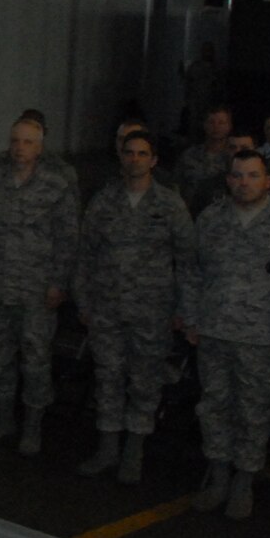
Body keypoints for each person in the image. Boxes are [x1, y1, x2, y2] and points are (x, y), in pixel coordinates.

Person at [179, 152, 270, 520]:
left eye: (253, 175)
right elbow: (192, 273)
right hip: (214, 331)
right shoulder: (210, 220)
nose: (244, 182)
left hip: (263, 338)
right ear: (228, 180)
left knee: (253, 414)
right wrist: (191, 318)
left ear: (267, 181)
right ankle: (219, 479)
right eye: (237, 175)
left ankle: (244, 484)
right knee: (214, 409)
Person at [72, 130, 195, 484]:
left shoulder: (170, 205)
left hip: (152, 313)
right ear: (121, 157)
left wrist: (184, 310)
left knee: (144, 383)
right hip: (107, 310)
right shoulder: (103, 201)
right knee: (108, 379)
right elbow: (85, 255)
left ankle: (133, 452)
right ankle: (107, 449)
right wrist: (84, 301)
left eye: (143, 154)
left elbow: (188, 262)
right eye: (130, 153)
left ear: (154, 160)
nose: (135, 159)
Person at [0, 114, 80, 456]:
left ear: (40, 146)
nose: (20, 148)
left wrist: (59, 283)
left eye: (28, 142)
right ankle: (4, 420)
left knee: (35, 360)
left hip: (37, 290)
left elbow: (68, 237)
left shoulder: (56, 183)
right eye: (15, 140)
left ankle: (33, 427)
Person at [173, 104, 235, 202]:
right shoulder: (189, 155)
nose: (216, 127)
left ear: (229, 126)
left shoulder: (234, 157)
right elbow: (176, 185)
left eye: (221, 123)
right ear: (204, 125)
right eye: (211, 122)